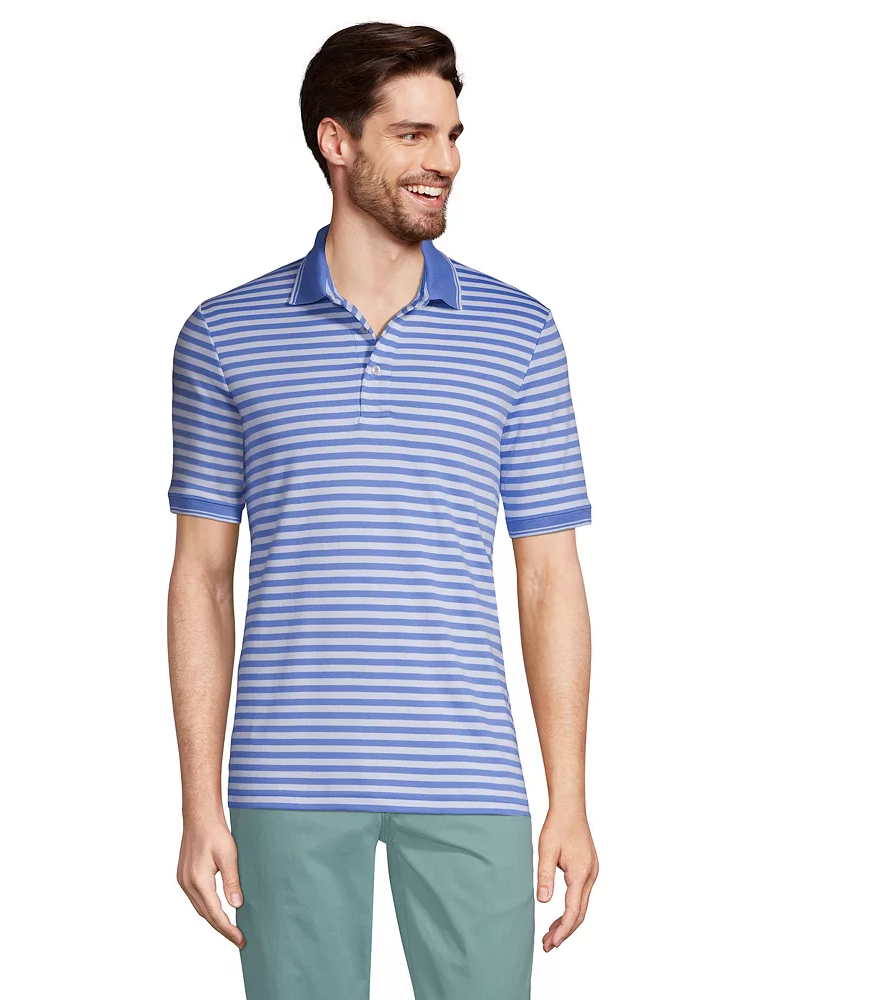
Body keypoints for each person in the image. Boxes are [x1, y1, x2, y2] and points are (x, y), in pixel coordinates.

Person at [166, 21, 598, 1000]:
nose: (444, 160)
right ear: (337, 141)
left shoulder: (519, 334)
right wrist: (197, 801)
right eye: (412, 134)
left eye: (452, 135)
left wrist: (569, 795)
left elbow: (549, 576)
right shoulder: (224, 336)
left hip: (470, 770)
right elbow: (200, 577)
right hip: (286, 776)